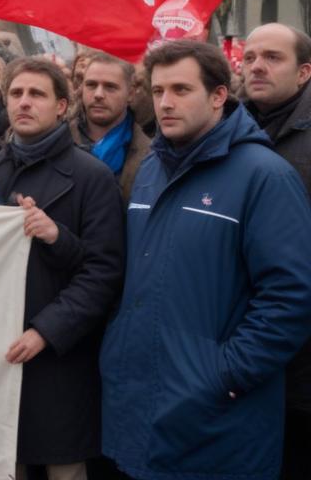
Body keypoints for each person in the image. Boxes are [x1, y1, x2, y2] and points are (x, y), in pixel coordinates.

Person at [100, 40, 311, 480]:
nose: (166, 103)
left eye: (181, 89)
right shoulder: (150, 171)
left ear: (218, 96)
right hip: (143, 406)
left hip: (218, 419)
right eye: (158, 91)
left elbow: (291, 297)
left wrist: (224, 374)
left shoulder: (265, 175)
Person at [0, 58, 125, 480]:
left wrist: (46, 331)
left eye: (37, 94)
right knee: (6, 465)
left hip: (61, 358)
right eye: (16, 94)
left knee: (63, 467)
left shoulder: (93, 176)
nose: (24, 103)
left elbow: (104, 272)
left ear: (62, 106)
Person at [240, 23, 311, 479]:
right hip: (239, 336)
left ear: (304, 72)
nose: (257, 67)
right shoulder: (225, 129)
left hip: (301, 349)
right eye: (249, 58)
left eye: (272, 57)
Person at [68, 54, 150, 199]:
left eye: (110, 87)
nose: (98, 94)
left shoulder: (152, 155)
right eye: (91, 85)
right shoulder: (58, 142)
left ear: (130, 94)